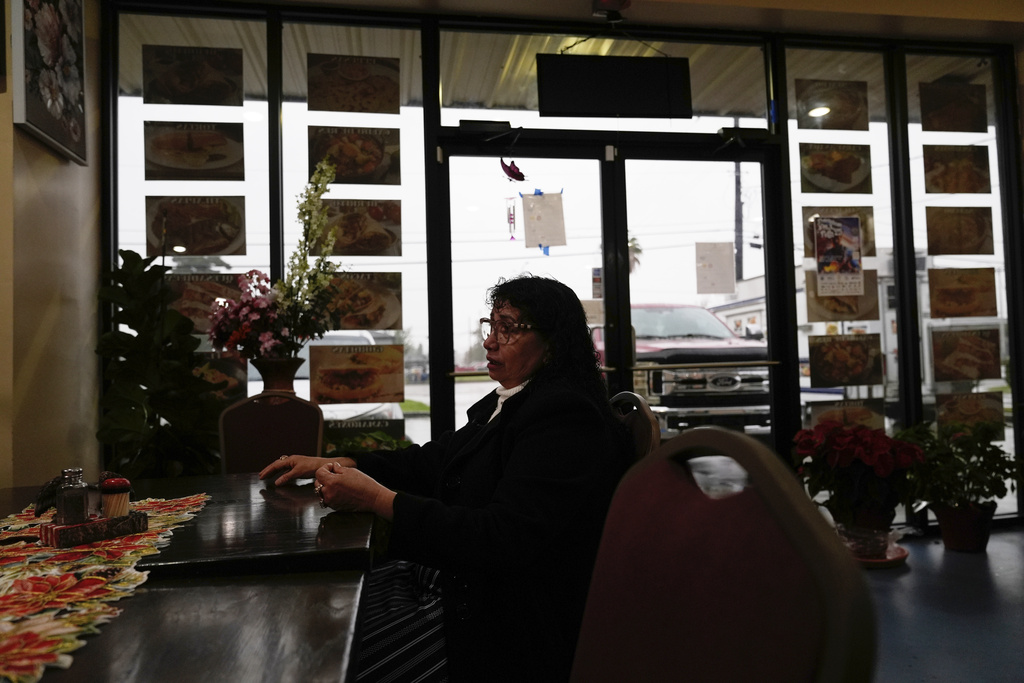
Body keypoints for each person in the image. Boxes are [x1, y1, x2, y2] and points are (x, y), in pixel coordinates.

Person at [260, 274, 633, 683]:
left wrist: (375, 499)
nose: (490, 340)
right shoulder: (513, 398)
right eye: (491, 325)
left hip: (501, 620)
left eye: (508, 328)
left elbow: (500, 538)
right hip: (457, 582)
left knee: (322, 657)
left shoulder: (564, 416)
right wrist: (338, 461)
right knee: (314, 616)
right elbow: (433, 461)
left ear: (554, 343)